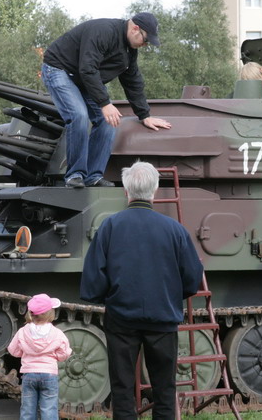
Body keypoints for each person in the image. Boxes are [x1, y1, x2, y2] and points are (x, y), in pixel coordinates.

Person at [80, 161, 204, 419]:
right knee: (165, 388)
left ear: (126, 191)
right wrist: (169, 296)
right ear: (155, 190)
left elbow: (94, 276)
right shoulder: (175, 230)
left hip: (121, 318)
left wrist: (110, 298)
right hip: (163, 319)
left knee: (123, 387)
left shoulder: (110, 226)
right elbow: (192, 278)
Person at [41, 12, 172, 188]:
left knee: (109, 121)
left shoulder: (129, 51)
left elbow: (132, 81)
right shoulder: (103, 31)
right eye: (145, 40)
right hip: (59, 69)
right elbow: (88, 68)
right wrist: (104, 103)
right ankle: (75, 175)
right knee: (79, 115)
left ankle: (93, 176)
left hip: (83, 77)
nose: (145, 45)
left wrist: (144, 115)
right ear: (135, 29)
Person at [8, 293, 72, 420]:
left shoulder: (23, 331)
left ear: (31, 313)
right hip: (49, 375)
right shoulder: (57, 333)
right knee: (49, 409)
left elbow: (12, 350)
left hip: (29, 374)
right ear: (50, 313)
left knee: (27, 409)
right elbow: (64, 353)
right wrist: (55, 355)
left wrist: (24, 352)